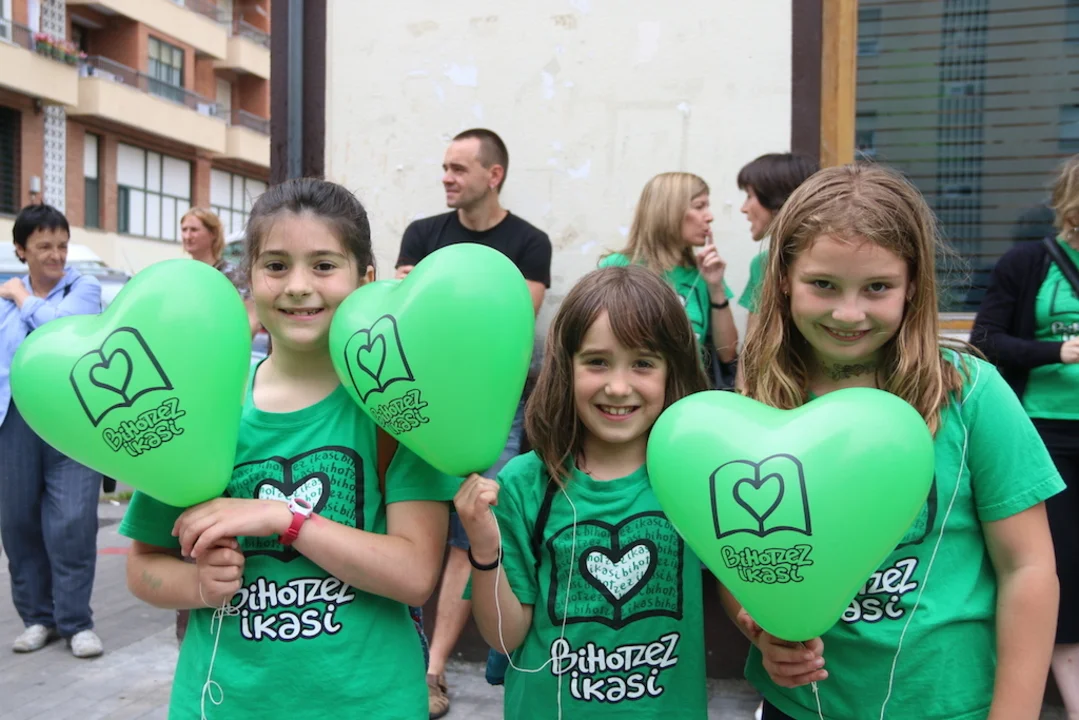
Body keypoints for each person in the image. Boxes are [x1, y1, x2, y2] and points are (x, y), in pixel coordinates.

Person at [729, 163, 1063, 719]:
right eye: (823, 284)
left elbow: (1027, 568)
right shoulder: (758, 401)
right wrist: (760, 631)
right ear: (783, 277)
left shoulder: (970, 394)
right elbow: (738, 556)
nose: (849, 312)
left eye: (877, 287)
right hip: (803, 706)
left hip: (948, 704)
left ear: (913, 286)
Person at [119, 178, 459, 718]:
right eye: (276, 266)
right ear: (250, 279)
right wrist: (198, 584)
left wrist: (284, 518)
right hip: (223, 705)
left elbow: (415, 576)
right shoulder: (202, 406)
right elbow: (143, 566)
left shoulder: (395, 407)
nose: (299, 286)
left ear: (366, 279)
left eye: (324, 265)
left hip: (369, 704)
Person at [455, 265, 712, 719]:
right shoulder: (524, 482)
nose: (618, 386)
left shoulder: (696, 477)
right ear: (566, 367)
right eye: (597, 361)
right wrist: (483, 547)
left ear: (672, 370)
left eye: (643, 363)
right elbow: (504, 638)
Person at [395, 128, 552, 718]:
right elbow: (404, 318)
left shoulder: (529, 242)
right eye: (444, 167)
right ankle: (407, 657)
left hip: (491, 405)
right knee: (410, 522)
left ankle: (432, 670)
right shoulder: (421, 233)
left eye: (458, 168)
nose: (446, 177)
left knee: (470, 527)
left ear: (494, 175)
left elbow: (511, 320)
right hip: (418, 399)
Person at [971, 154, 1079, 717]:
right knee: (1057, 566)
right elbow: (986, 339)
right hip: (1045, 435)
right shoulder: (1028, 262)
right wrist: (1057, 351)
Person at [0, 204, 105, 658]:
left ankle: (77, 622)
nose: (56, 255)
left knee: (73, 521)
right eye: (44, 246)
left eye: (62, 245)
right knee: (18, 522)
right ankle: (37, 619)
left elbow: (63, 333)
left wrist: (23, 300)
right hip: (14, 419)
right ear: (21, 250)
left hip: (71, 419)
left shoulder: (84, 288)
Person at [599, 172, 738, 388]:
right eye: (699, 206)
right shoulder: (617, 266)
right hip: (633, 393)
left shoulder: (703, 274)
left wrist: (716, 287)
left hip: (689, 397)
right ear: (669, 211)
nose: (710, 217)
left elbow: (727, 353)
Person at [735, 153, 819, 337]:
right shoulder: (762, 264)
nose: (743, 208)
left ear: (776, 200)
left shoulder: (824, 263)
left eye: (749, 196)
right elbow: (753, 347)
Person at [181, 207, 261, 339]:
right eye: (184, 230)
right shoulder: (183, 274)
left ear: (213, 234)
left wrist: (234, 345)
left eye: (194, 230)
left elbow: (252, 318)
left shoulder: (232, 274)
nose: (187, 236)